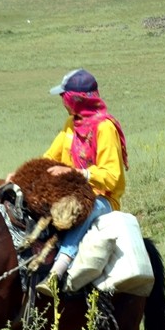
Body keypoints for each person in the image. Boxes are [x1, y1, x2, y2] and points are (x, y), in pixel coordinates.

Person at [24, 68, 128, 297]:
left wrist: (80, 174)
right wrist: (24, 174)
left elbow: (113, 177)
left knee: (77, 211)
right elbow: (50, 157)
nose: (62, 101)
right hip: (72, 191)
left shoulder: (105, 128)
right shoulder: (71, 124)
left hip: (102, 198)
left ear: (76, 99)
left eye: (64, 96)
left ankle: (57, 272)